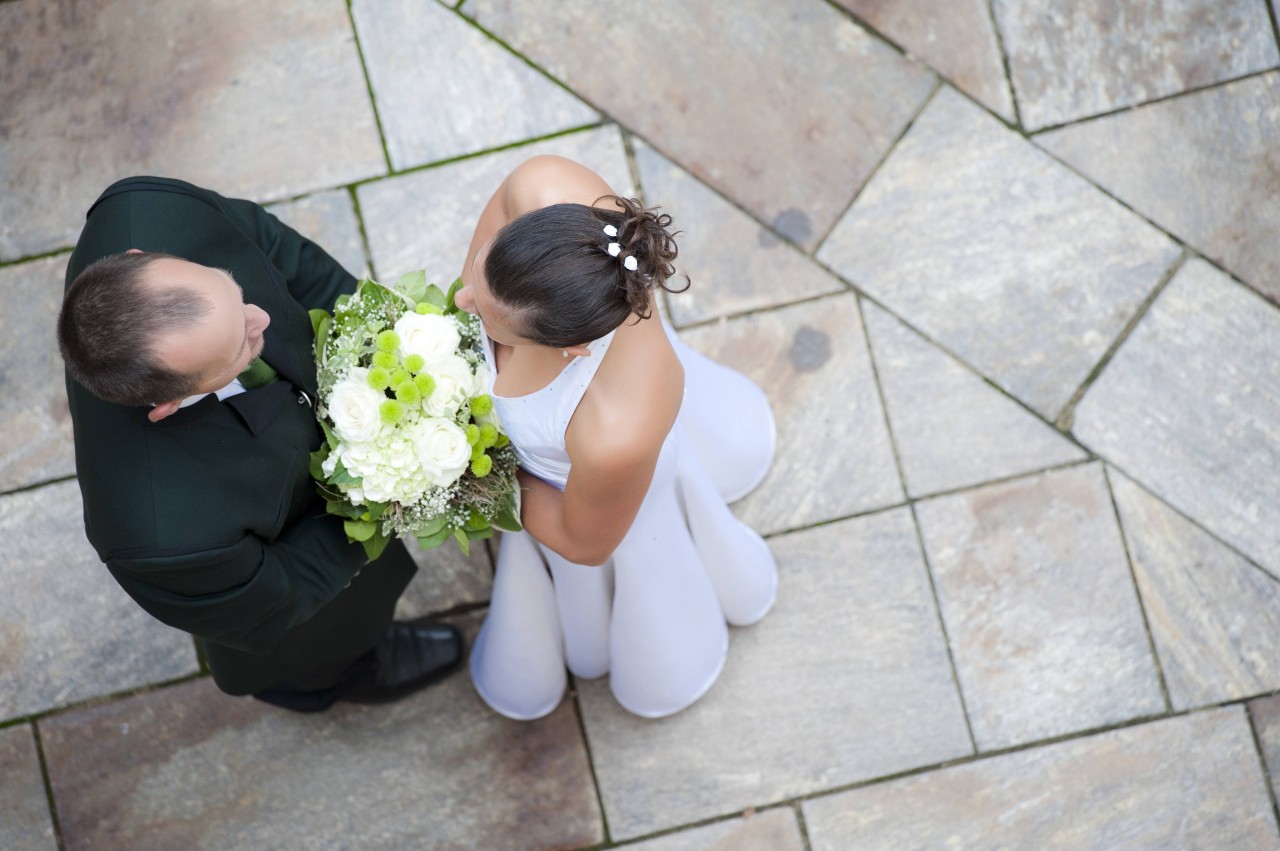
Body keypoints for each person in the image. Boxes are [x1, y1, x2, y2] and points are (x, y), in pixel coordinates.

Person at [57, 176, 463, 713]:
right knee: (318, 640)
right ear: (169, 405)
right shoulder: (164, 538)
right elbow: (281, 594)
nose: (263, 320)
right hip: (302, 559)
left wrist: (371, 348)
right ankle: (335, 679)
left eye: (235, 293)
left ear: (143, 255)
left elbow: (276, 251)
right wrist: (386, 499)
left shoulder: (153, 209)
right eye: (240, 346)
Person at [457, 156, 778, 719]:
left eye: (487, 321)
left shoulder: (613, 432)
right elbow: (483, 264)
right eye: (483, 274)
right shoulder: (546, 187)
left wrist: (470, 472)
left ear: (571, 349)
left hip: (591, 501)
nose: (462, 304)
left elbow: (585, 544)